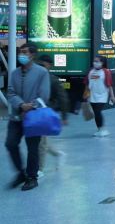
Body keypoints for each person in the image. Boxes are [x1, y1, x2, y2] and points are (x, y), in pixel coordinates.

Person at [5, 44, 50, 191]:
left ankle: (32, 177)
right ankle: (21, 173)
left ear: (32, 55)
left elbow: (44, 94)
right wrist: (21, 105)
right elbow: (10, 92)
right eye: (20, 52)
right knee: (10, 143)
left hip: (34, 117)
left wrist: (30, 106)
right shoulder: (15, 73)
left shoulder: (42, 72)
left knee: (32, 148)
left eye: (24, 52)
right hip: (16, 116)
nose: (21, 55)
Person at [36, 55, 69, 177]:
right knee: (39, 140)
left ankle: (40, 169)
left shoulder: (53, 80)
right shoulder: (33, 76)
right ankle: (58, 154)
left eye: (43, 64)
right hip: (33, 113)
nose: (40, 66)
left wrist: (64, 116)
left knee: (41, 141)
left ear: (49, 65)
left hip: (46, 113)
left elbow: (63, 98)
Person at [85, 55, 115, 137]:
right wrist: (86, 95)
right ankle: (99, 129)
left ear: (102, 62)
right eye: (94, 61)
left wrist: (112, 96)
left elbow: (109, 85)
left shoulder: (106, 72)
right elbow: (87, 84)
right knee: (96, 113)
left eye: (97, 61)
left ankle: (103, 129)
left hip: (102, 96)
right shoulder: (90, 71)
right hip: (92, 96)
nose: (95, 63)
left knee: (98, 112)